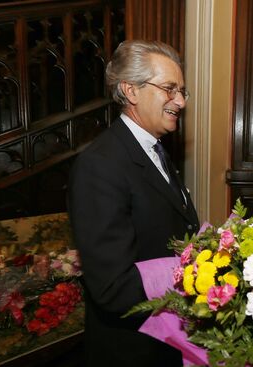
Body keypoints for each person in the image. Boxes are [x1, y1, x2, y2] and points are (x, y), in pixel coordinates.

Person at [68, 40, 199, 367]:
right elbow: (113, 288)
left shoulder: (155, 151)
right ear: (131, 91)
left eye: (182, 91)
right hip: (133, 349)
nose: (180, 101)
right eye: (170, 89)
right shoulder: (100, 164)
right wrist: (198, 277)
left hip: (166, 340)